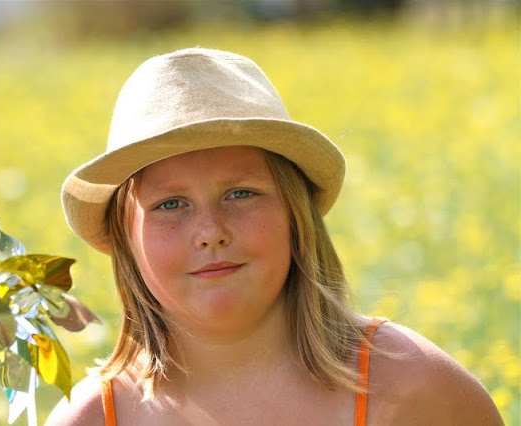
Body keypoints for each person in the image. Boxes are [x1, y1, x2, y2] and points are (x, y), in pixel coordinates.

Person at [47, 47, 503, 425]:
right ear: (126, 239)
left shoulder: (413, 387)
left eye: (241, 193)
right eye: (170, 204)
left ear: (295, 214)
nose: (210, 233)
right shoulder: (91, 417)